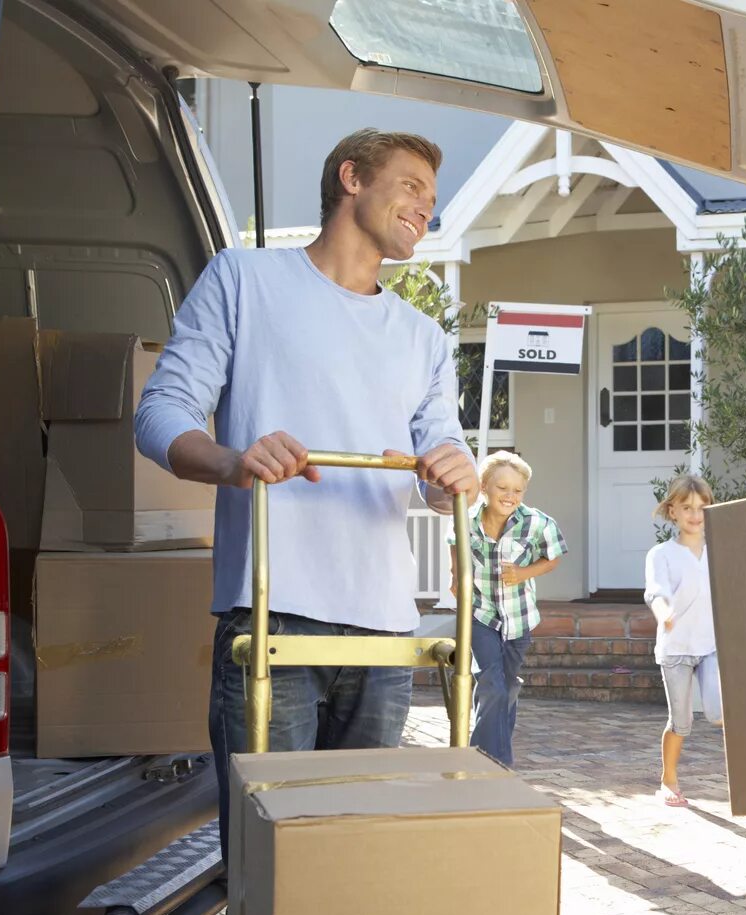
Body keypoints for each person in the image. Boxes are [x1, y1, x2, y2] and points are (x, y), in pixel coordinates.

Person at [133, 128, 478, 851]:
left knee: (351, 864)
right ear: (351, 177)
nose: (426, 208)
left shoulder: (425, 339)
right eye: (412, 186)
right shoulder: (242, 279)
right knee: (268, 862)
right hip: (271, 619)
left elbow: (443, 457)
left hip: (386, 632)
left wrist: (452, 475)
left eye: (433, 200)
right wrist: (235, 462)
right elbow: (159, 414)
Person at [461, 450, 565, 767]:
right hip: (481, 616)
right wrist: (456, 575)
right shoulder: (466, 520)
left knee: (503, 687)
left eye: (517, 490)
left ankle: (487, 757)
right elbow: (456, 545)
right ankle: (490, 763)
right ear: (483, 487)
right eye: (502, 488)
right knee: (491, 683)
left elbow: (554, 556)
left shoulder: (537, 523)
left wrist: (522, 574)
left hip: (519, 621)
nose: (510, 496)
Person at [643, 475, 722, 807]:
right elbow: (656, 592)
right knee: (682, 722)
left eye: (702, 508)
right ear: (671, 511)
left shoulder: (720, 548)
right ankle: (669, 779)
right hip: (675, 650)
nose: (695, 514)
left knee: (720, 713)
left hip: (712, 646)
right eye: (687, 507)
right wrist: (663, 613)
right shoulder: (661, 554)